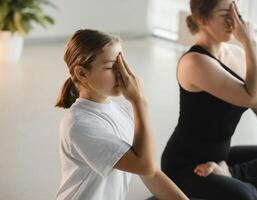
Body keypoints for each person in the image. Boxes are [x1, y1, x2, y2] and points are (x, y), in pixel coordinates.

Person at [161, 1, 257, 199]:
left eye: (236, 14)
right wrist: (249, 43)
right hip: (185, 166)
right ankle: (249, 182)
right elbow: (255, 97)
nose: (233, 22)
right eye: (226, 13)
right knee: (246, 196)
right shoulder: (194, 62)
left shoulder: (237, 55)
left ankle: (230, 173)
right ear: (202, 19)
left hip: (221, 157)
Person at [55, 29, 189, 200]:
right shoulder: (79, 124)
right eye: (111, 66)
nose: (122, 73)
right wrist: (140, 102)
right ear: (82, 73)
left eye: (122, 64)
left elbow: (151, 173)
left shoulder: (121, 111)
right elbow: (144, 166)